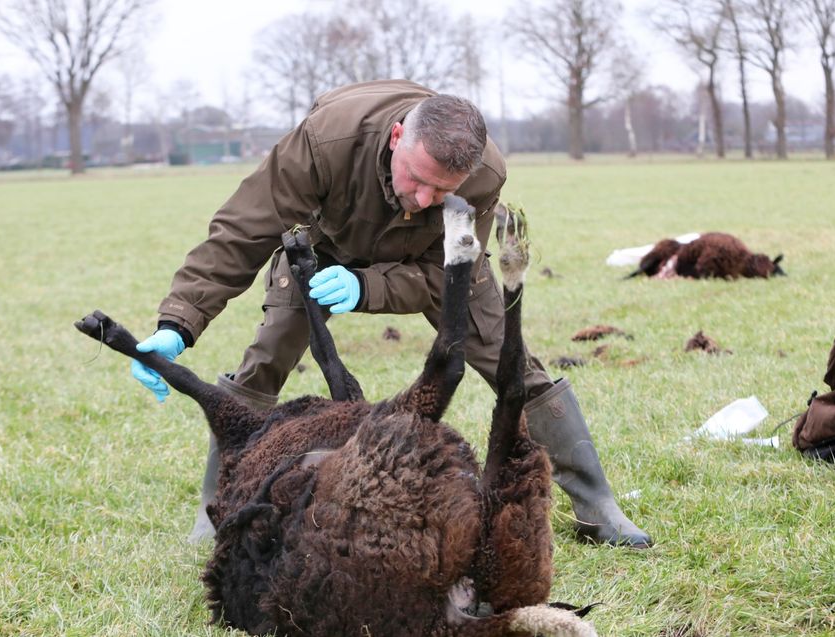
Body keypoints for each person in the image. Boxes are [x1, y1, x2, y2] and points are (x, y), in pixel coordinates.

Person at [132, 79, 652, 548]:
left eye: (441, 191)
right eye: (417, 178)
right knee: (267, 356)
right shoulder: (324, 142)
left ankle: (597, 505)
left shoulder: (483, 174)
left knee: (514, 366)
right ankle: (216, 508)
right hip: (326, 244)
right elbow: (241, 233)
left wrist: (368, 286)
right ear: (398, 135)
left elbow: (447, 272)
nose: (424, 198)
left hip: (435, 257)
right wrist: (177, 323)